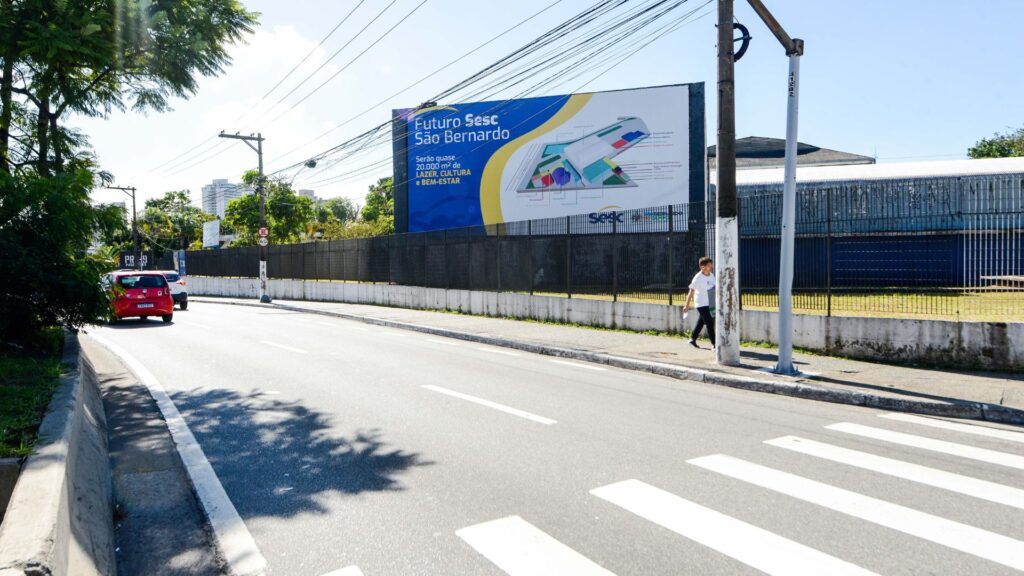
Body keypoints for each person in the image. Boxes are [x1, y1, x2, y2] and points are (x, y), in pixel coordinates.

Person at [682, 256, 716, 349]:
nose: (711, 267)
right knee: (709, 323)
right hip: (701, 304)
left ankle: (692, 339)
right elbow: (691, 292)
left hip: (710, 303)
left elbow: (714, 288)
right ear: (702, 267)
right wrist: (687, 306)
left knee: (701, 321)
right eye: (709, 265)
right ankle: (715, 344)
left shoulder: (712, 275)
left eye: (711, 265)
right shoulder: (698, 278)